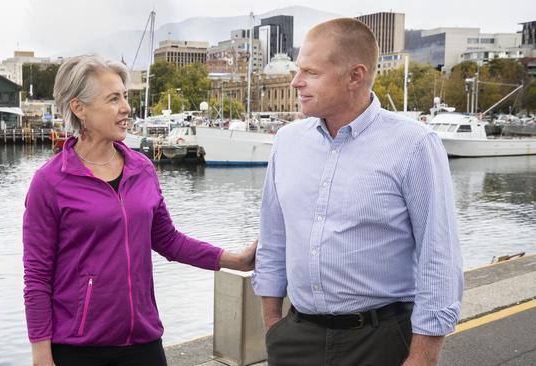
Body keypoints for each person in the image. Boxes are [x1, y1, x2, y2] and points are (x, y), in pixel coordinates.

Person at [252, 18, 463, 366]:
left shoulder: (414, 146)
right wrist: (274, 326)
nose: (296, 82)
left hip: (381, 341)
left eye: (311, 72)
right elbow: (274, 239)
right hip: (296, 338)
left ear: (355, 76)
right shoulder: (287, 142)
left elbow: (438, 257)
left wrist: (424, 357)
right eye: (296, 70)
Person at [23, 55, 256, 366]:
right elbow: (37, 276)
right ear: (79, 109)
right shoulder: (50, 182)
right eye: (113, 99)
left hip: (144, 343)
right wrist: (41, 355)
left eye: (126, 97)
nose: (126, 108)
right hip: (78, 351)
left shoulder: (142, 168)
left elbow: (168, 240)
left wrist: (235, 260)